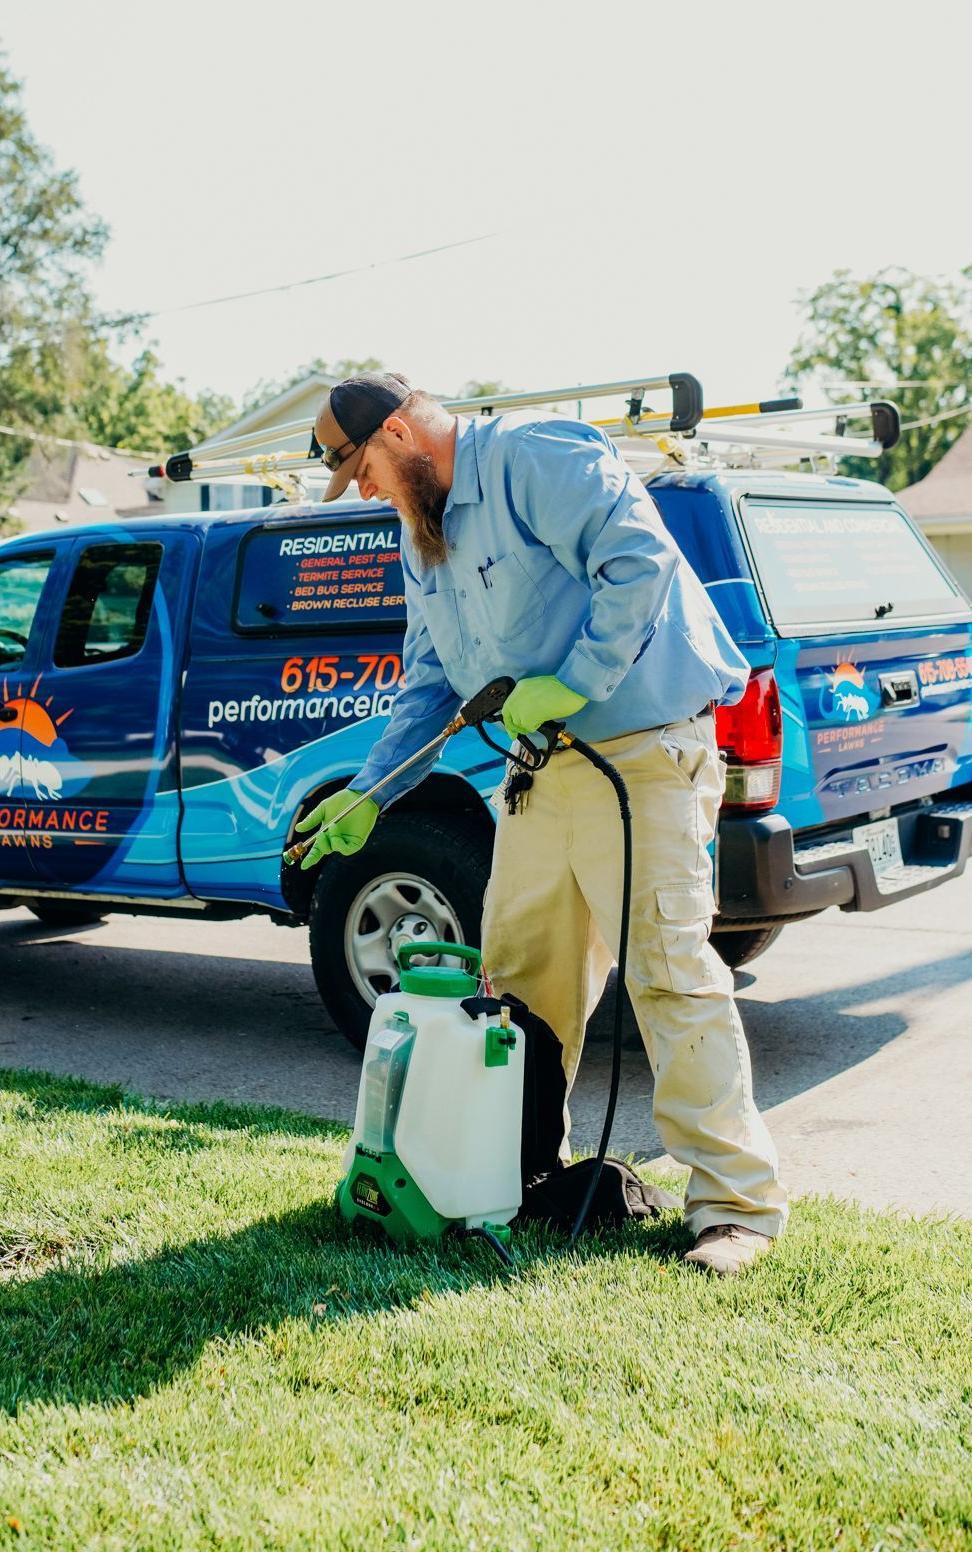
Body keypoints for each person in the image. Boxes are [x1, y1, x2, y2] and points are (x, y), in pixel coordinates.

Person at [295, 371, 789, 1275]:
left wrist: (574, 681)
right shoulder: (421, 534)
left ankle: (734, 1207)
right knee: (519, 982)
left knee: (668, 972)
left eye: (361, 468)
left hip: (643, 753)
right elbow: (429, 682)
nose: (362, 491)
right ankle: (509, 1172)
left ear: (400, 432)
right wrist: (371, 791)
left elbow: (636, 560)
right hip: (540, 770)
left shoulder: (537, 456)